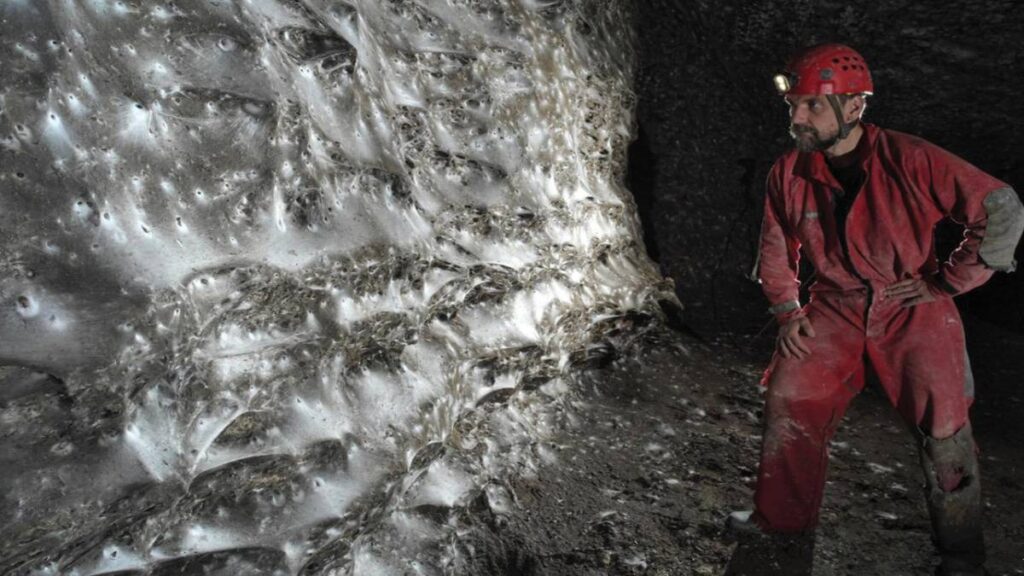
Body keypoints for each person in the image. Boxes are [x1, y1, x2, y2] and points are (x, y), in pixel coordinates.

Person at [726, 44, 1024, 576]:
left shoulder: (910, 158)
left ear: (856, 107)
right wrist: (787, 311)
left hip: (910, 305)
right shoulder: (789, 170)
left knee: (945, 426)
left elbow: (999, 207)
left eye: (812, 106)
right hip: (833, 306)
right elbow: (775, 246)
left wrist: (949, 282)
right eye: (794, 104)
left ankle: (960, 555)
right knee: (791, 395)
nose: (797, 116)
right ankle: (782, 533)